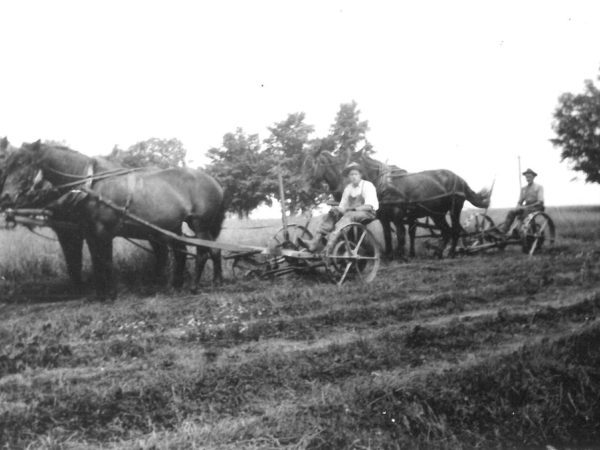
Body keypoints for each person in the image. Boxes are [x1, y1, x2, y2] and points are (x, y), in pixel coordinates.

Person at [299, 162, 379, 252]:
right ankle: (314, 242)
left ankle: (329, 245)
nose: (353, 177)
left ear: (360, 175)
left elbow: (369, 206)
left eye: (355, 174)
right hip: (351, 213)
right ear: (348, 177)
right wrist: (337, 209)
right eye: (351, 174)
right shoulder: (348, 188)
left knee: (348, 215)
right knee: (333, 211)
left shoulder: (367, 186)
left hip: (367, 213)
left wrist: (351, 209)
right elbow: (342, 206)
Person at [501, 168, 544, 235]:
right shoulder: (524, 189)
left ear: (533, 177)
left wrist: (526, 207)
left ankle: (519, 230)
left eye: (529, 177)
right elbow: (520, 201)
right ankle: (504, 230)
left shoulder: (538, 187)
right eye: (526, 177)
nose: (528, 179)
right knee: (511, 212)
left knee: (525, 211)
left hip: (537, 207)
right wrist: (518, 206)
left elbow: (540, 201)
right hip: (526, 207)